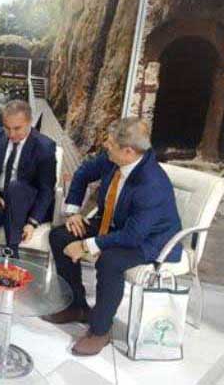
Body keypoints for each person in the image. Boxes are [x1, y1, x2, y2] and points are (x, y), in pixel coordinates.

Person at [42, 117, 183, 356]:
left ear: (128, 151)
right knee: (60, 236)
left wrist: (85, 245)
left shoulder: (152, 184)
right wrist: (73, 212)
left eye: (110, 143)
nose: (105, 145)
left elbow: (132, 236)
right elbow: (83, 173)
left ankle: (100, 330)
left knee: (110, 261)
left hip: (150, 240)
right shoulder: (113, 159)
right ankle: (76, 306)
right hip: (116, 225)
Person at [0, 100, 56, 259]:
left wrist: (32, 223)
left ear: (29, 122)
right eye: (7, 128)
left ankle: (12, 252)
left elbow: (46, 190)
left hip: (26, 205)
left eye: (17, 128)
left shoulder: (44, 147)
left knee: (15, 188)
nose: (11, 134)